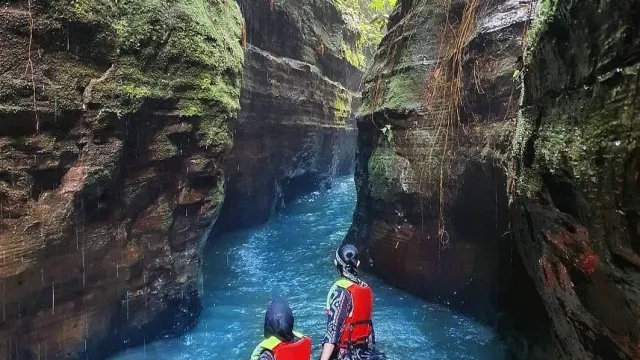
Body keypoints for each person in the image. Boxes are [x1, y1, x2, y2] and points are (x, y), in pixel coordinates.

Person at [320, 244, 375, 360]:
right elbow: (369, 329)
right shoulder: (366, 289)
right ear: (358, 263)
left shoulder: (341, 292)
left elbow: (333, 330)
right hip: (365, 353)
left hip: (344, 355)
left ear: (336, 263)